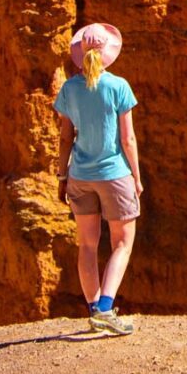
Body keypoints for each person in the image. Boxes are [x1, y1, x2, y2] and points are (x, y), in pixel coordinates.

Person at [54, 21, 143, 336]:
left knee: (87, 244)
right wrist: (136, 176)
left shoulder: (69, 89)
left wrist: (63, 176)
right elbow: (128, 139)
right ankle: (105, 309)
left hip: (80, 175)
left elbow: (66, 138)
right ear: (107, 53)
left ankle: (94, 309)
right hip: (114, 174)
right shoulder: (118, 86)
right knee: (121, 242)